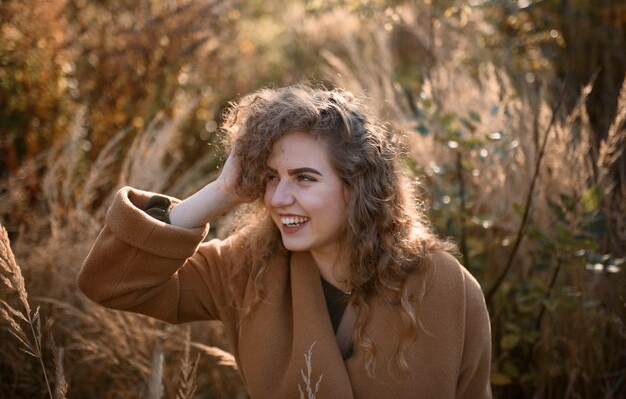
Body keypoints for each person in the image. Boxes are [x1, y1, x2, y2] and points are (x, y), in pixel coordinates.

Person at [77, 85, 492, 398]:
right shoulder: (247, 266)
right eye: (271, 177)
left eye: (304, 178)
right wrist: (221, 191)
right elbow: (112, 283)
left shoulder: (447, 288)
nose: (277, 198)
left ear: (357, 186)